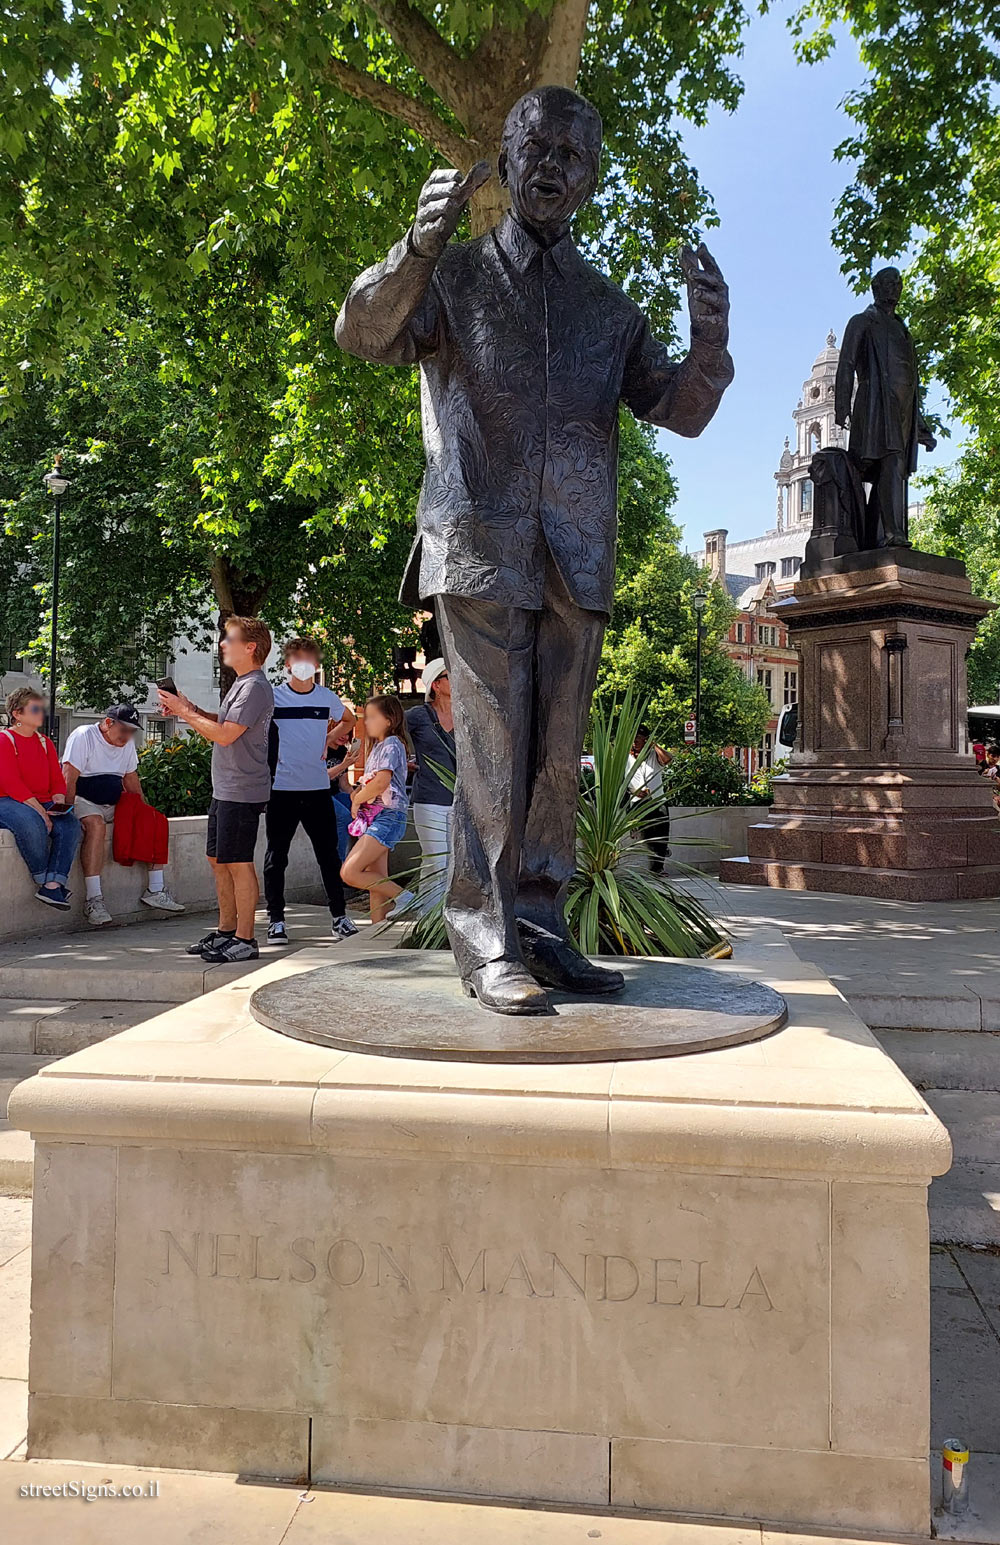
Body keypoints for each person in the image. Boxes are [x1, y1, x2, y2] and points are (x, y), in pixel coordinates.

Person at [336, 86, 731, 1013]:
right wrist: (414, 247)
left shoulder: (608, 308)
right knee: (492, 744)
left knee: (557, 755)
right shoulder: (453, 278)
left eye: (573, 155)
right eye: (536, 148)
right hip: (476, 543)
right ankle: (484, 937)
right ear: (507, 159)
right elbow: (364, 329)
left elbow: (678, 408)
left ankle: (544, 928)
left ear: (590, 180)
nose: (552, 166)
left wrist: (709, 340)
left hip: (576, 554)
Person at [157, 617, 274, 963]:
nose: (222, 644)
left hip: (242, 789)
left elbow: (224, 735)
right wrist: (189, 709)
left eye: (229, 639)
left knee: (238, 862)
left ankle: (245, 939)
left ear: (250, 647)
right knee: (218, 859)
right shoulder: (241, 684)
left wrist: (182, 711)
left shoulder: (254, 687)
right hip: (227, 788)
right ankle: (226, 932)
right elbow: (224, 724)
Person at [263, 637, 358, 945]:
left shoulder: (326, 696)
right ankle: (276, 920)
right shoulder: (274, 697)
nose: (304, 663)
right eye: (297, 657)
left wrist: (329, 738)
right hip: (282, 789)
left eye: (310, 658)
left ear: (317, 665)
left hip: (318, 789)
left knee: (328, 856)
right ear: (288, 663)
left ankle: (339, 917)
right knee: (276, 857)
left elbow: (350, 718)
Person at [835, 266, 937, 548]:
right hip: (875, 406)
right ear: (876, 287)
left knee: (895, 469)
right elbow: (846, 364)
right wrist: (841, 407)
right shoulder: (863, 322)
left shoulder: (903, 330)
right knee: (890, 464)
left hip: (903, 411)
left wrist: (921, 426)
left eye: (899, 282)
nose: (896, 287)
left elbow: (910, 384)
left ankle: (876, 535)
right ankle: (893, 534)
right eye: (889, 282)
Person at [62, 704, 184, 926]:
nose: (128, 736)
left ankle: (155, 890)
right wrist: (68, 812)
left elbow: (130, 778)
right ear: (109, 723)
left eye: (132, 731)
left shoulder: (126, 744)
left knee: (154, 820)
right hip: (84, 800)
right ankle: (94, 899)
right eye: (124, 730)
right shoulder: (83, 736)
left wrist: (143, 810)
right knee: (96, 825)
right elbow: (69, 778)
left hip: (115, 800)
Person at [0, 686, 82, 908]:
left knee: (70, 825)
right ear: (17, 714)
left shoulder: (45, 742)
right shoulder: (4, 740)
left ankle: (53, 885)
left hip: (40, 799)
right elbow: (11, 783)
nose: (41, 713)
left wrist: (57, 802)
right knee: (32, 823)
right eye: (35, 708)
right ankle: (43, 877)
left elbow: (56, 779)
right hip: (8, 799)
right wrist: (41, 812)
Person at [340, 695, 413, 922]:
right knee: (378, 879)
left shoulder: (391, 744)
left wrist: (356, 799)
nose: (367, 722)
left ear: (389, 720)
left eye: (372, 717)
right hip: (378, 817)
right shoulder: (381, 746)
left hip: (387, 816)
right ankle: (377, 927)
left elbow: (382, 782)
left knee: (350, 872)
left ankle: (407, 897)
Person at [404, 658, 456, 909]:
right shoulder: (418, 715)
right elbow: (386, 731)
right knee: (438, 861)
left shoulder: (468, 714)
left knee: (450, 861)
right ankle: (434, 916)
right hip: (429, 799)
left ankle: (428, 917)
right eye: (450, 675)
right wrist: (400, 761)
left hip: (461, 800)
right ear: (436, 684)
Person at [628, 727, 673, 873]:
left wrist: (653, 744)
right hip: (636, 801)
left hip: (657, 799)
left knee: (662, 831)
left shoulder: (654, 755)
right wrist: (634, 791)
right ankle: (657, 850)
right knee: (647, 832)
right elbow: (621, 781)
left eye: (638, 739)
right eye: (633, 740)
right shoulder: (625, 758)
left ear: (645, 739)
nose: (634, 743)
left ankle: (658, 866)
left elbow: (668, 760)